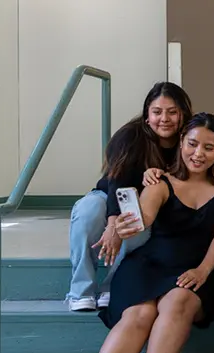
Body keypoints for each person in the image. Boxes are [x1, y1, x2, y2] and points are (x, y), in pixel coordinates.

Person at [85, 113, 214, 353]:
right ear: (181, 143)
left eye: (208, 147)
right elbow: (144, 217)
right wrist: (125, 225)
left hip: (196, 270)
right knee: (140, 313)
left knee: (178, 301)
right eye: (192, 144)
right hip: (147, 267)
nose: (198, 154)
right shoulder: (159, 182)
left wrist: (203, 270)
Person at [68, 82, 193, 312]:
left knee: (138, 223)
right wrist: (113, 222)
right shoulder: (130, 136)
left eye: (172, 112)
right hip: (108, 196)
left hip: (147, 208)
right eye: (157, 112)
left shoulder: (189, 142)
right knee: (89, 211)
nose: (164, 119)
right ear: (147, 116)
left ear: (183, 114)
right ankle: (81, 291)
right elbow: (118, 181)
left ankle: (111, 286)